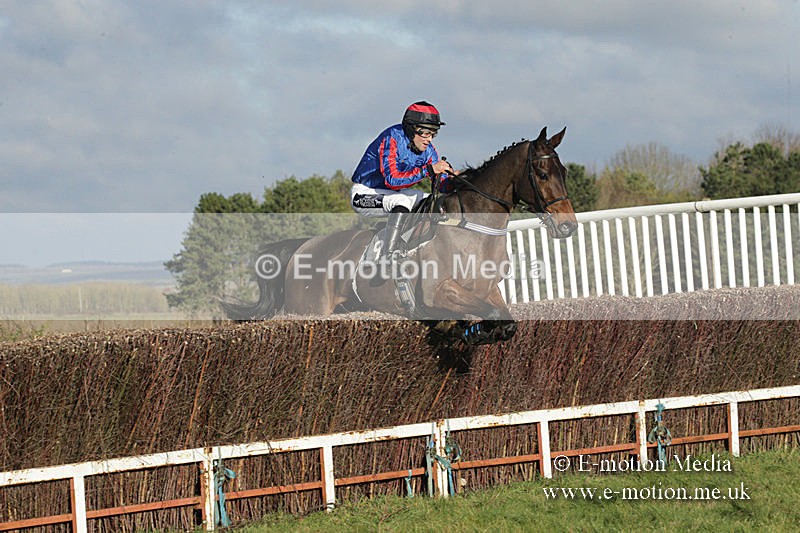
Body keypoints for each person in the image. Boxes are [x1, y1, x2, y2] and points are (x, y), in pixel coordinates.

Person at [351, 101, 455, 260]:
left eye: (433, 134)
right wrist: (428, 170)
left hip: (394, 194)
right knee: (401, 200)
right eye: (425, 133)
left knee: (432, 201)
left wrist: (456, 179)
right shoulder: (392, 138)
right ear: (411, 129)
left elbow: (441, 186)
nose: (429, 140)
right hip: (364, 193)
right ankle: (389, 256)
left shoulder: (428, 151)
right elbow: (392, 180)